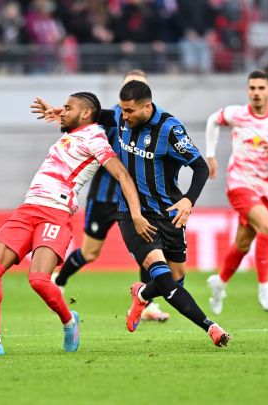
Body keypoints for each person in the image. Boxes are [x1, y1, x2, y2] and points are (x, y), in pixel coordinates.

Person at [38, 81, 231, 347]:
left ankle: (142, 294)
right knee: (164, 277)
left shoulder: (169, 130)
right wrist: (64, 112)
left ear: (147, 107)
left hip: (169, 212)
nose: (124, 116)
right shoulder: (121, 115)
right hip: (131, 213)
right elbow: (99, 114)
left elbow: (199, 166)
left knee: (176, 279)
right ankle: (211, 328)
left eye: (129, 111)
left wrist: (188, 200)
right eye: (122, 109)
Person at [0, 91, 155, 357]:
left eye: (68, 108)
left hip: (56, 212)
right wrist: (62, 114)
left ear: (86, 113)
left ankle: (68, 322)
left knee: (39, 280)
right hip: (28, 207)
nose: (62, 111)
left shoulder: (95, 138)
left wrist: (136, 213)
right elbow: (74, 123)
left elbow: (122, 175)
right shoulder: (72, 133)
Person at [53, 70, 169, 322]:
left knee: (147, 250)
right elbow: (80, 130)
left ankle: (147, 305)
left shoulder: (155, 124)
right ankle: (58, 281)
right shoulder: (110, 118)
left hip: (135, 198)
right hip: (104, 197)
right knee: (90, 253)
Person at [205, 69, 268, 314]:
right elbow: (213, 120)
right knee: (267, 226)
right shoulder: (238, 114)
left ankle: (219, 284)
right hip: (239, 183)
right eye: (252, 88)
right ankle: (264, 288)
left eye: (261, 88)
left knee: (243, 243)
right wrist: (211, 155)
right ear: (248, 90)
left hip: (265, 188)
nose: (256, 93)